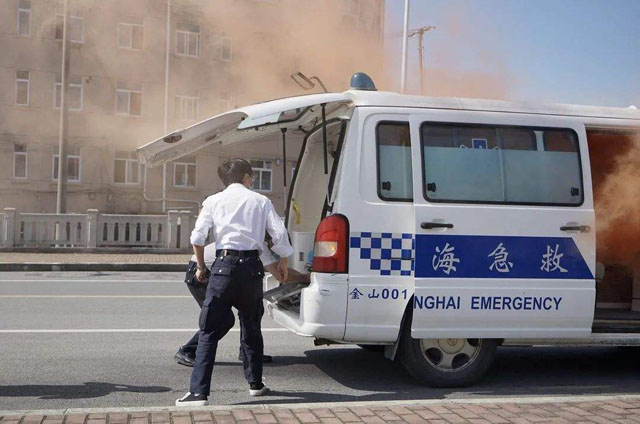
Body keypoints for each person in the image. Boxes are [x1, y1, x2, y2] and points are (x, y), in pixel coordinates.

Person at [176, 158, 293, 407]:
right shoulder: (261, 201)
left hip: (224, 268)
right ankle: (255, 384)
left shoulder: (213, 201)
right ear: (247, 177)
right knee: (251, 327)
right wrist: (283, 261)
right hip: (252, 269)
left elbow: (197, 237)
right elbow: (279, 234)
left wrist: (201, 267)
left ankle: (198, 393)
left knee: (209, 330)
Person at [174, 242, 279, 367]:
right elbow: (278, 273)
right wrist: (301, 277)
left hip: (224, 274)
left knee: (252, 309)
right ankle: (187, 350)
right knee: (223, 319)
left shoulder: (252, 240)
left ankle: (248, 351)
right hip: (200, 273)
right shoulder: (258, 243)